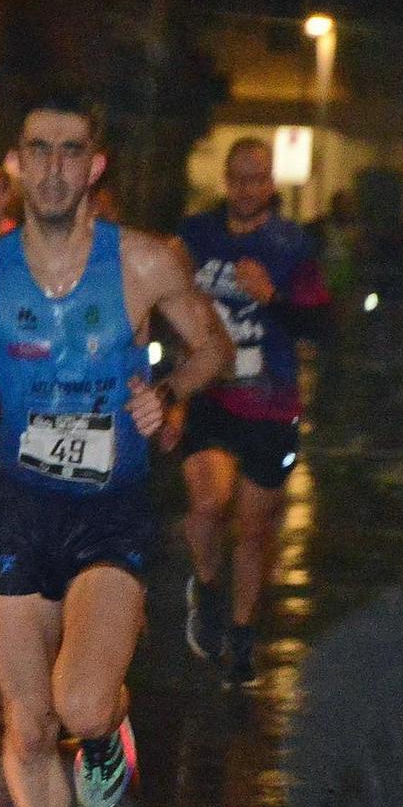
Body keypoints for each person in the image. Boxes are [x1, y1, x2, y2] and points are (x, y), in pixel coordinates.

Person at [0, 90, 230, 807]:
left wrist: (166, 391)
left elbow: (213, 349)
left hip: (113, 506)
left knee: (78, 700)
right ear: (16, 165)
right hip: (21, 503)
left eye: (71, 151)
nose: (54, 167)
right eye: (37, 150)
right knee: (23, 724)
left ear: (95, 166)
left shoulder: (144, 262)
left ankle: (107, 725)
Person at [175, 138, 331, 687]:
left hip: (270, 401)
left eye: (257, 178)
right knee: (210, 501)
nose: (247, 188)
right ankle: (207, 587)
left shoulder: (293, 245)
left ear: (271, 182)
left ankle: (242, 637)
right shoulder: (195, 236)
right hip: (211, 396)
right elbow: (163, 300)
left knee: (254, 526)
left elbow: (321, 326)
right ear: (226, 178)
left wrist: (272, 298)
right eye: (238, 178)